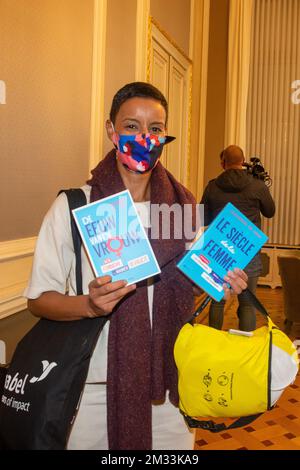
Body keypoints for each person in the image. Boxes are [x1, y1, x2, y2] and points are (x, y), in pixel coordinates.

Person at [24, 83, 248, 450]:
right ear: (112, 131)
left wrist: (217, 281)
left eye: (155, 129)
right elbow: (38, 299)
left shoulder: (182, 210)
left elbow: (189, 284)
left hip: (170, 388)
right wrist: (89, 305)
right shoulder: (75, 207)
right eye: (131, 126)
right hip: (92, 391)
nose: (144, 137)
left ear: (165, 136)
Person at [200, 144, 275, 332]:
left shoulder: (212, 186)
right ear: (242, 162)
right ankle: (243, 348)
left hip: (219, 252)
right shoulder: (257, 185)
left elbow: (203, 218)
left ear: (223, 163)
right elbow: (270, 211)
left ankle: (214, 342)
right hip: (247, 252)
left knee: (217, 301)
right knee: (247, 303)